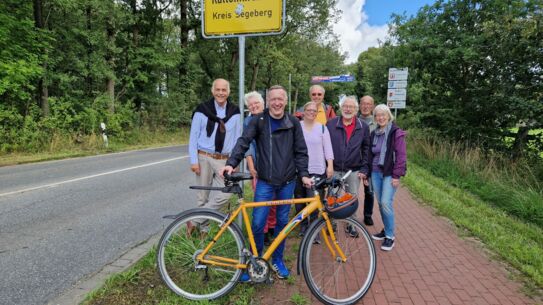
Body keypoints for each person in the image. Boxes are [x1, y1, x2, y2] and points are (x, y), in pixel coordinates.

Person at [220, 85, 313, 279]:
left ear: (285, 101)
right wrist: (231, 163)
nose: (277, 103)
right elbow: (243, 142)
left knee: (282, 224)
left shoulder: (294, 122)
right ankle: (255, 261)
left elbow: (301, 151)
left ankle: (278, 260)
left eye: (280, 99)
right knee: (257, 223)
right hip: (265, 182)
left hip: (287, 182)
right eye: (273, 99)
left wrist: (303, 174)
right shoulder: (258, 121)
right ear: (267, 102)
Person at [188, 78, 242, 213]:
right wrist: (194, 161)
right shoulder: (201, 110)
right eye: (217, 90)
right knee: (202, 197)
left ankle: (194, 221)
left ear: (228, 92)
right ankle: (202, 232)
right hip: (204, 158)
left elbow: (237, 140)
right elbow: (193, 137)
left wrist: (234, 163)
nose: (220, 93)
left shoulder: (235, 112)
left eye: (224, 90)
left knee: (227, 193)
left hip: (224, 160)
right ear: (213, 91)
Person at [326, 96, 371, 235]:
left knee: (352, 198)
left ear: (356, 109)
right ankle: (331, 224)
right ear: (341, 108)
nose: (348, 109)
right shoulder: (331, 124)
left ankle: (350, 225)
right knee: (332, 196)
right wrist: (328, 166)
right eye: (345, 106)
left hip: (353, 169)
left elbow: (366, 149)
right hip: (335, 169)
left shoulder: (363, 126)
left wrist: (364, 169)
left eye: (351, 107)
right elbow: (325, 147)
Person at [369, 104, 407, 251]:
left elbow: (401, 156)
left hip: (390, 173)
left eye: (383, 114)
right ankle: (386, 230)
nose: (381, 117)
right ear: (375, 118)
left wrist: (397, 175)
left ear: (388, 116)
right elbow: (370, 154)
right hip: (375, 172)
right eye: (378, 115)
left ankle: (390, 236)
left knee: (386, 202)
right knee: (380, 203)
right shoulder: (374, 133)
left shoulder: (396, 133)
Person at [294, 102, 334, 237]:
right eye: (309, 110)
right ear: (303, 111)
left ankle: (314, 229)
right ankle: (303, 226)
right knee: (299, 199)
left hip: (317, 169)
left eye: (314, 111)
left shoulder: (322, 128)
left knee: (314, 200)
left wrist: (330, 165)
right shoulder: (296, 127)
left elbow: (328, 148)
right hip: (299, 169)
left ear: (317, 113)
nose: (311, 112)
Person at [243, 91, 276, 245]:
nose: (254, 106)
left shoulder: (272, 117)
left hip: (276, 167)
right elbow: (247, 145)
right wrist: (251, 167)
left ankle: (271, 229)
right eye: (250, 105)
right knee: (261, 202)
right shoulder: (248, 122)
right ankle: (262, 233)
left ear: (263, 103)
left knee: (274, 202)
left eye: (256, 103)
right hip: (258, 167)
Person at [359, 95, 377, 226]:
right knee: (350, 191)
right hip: (353, 160)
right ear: (359, 105)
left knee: (369, 191)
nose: (365, 106)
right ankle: (348, 216)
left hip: (370, 162)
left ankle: (367, 215)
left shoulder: (377, 123)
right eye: (363, 104)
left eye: (368, 104)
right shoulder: (354, 120)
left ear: (372, 106)